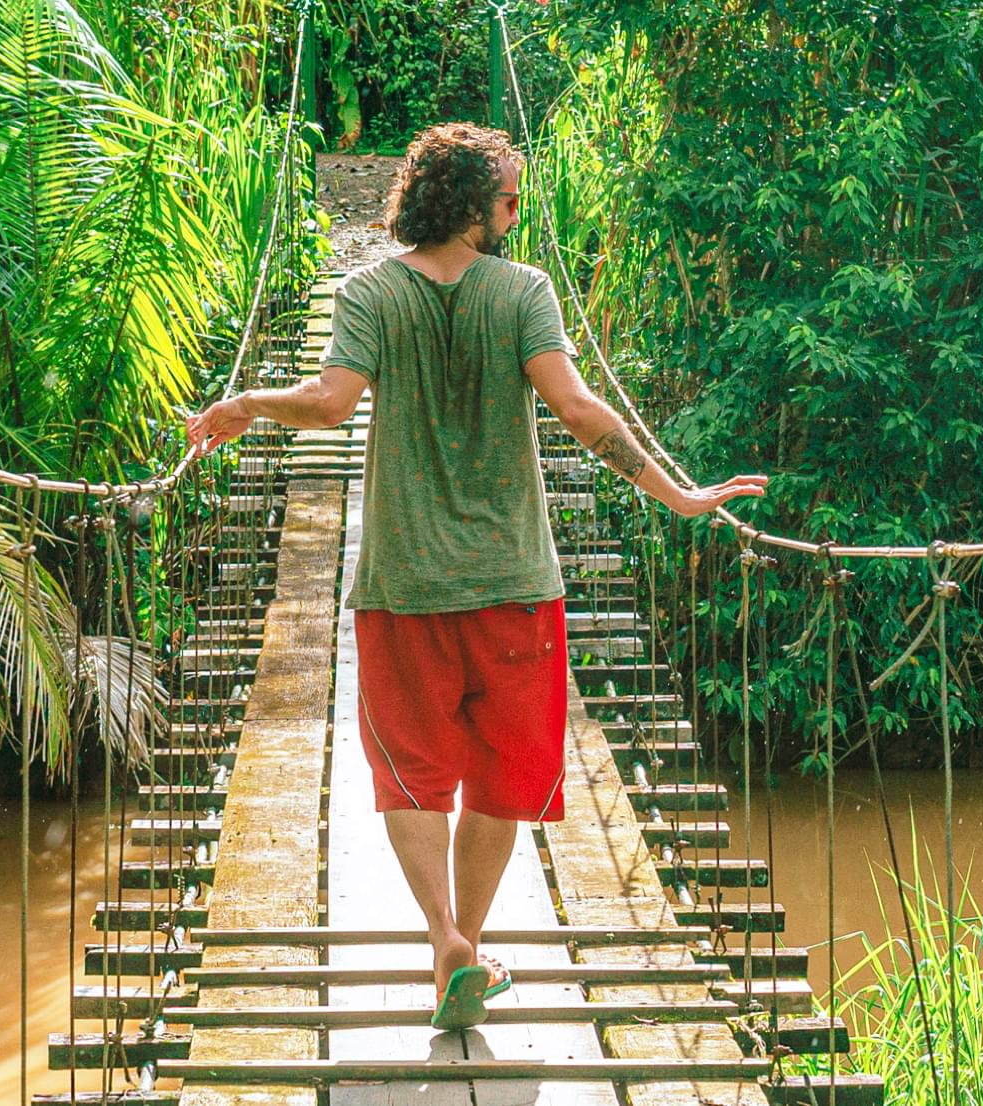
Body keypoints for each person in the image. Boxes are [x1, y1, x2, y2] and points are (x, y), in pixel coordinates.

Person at [185, 122, 767, 1031]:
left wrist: (248, 402)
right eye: (507, 198)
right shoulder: (523, 292)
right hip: (513, 582)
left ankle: (445, 938)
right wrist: (678, 495)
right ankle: (469, 941)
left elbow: (331, 402)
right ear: (467, 204)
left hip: (403, 581)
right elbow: (578, 409)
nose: (517, 212)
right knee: (502, 772)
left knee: (412, 770)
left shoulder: (370, 290)